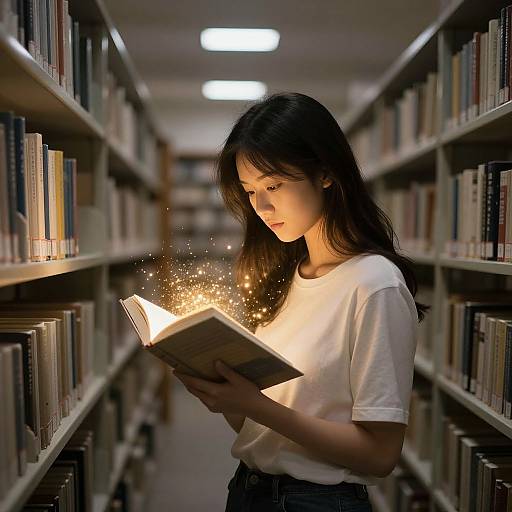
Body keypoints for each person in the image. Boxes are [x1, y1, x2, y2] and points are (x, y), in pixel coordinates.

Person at [172, 92, 428, 512]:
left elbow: (381, 455)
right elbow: (260, 430)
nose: (262, 207)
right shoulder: (284, 277)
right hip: (248, 490)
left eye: (274, 185)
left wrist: (257, 405)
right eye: (250, 191)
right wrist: (227, 397)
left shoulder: (374, 285)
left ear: (325, 173)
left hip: (317, 502)